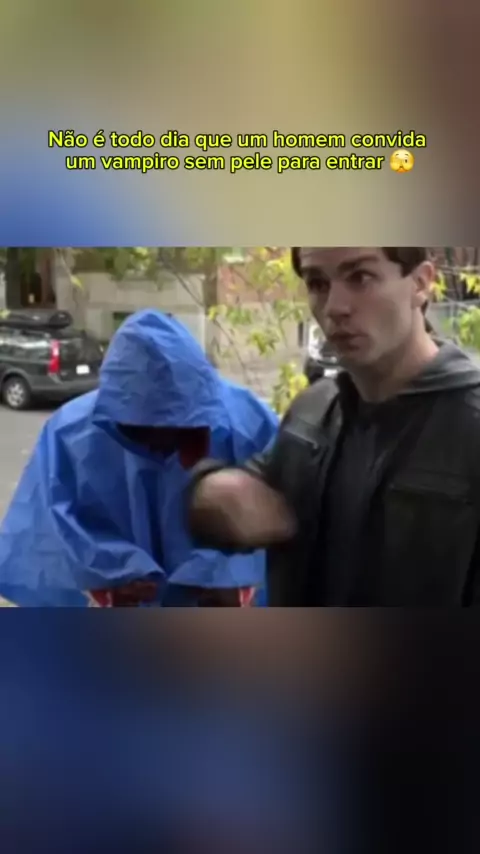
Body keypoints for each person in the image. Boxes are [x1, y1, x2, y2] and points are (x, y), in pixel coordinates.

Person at [188, 247, 480, 606]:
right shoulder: (311, 412)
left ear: (421, 283)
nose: (334, 308)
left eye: (360, 277)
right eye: (317, 283)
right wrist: (211, 493)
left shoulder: (469, 428)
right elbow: (247, 496)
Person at [0, 310, 278, 607]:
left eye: (172, 431)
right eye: (142, 433)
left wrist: (228, 575)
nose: (158, 448)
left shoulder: (248, 424)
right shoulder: (70, 435)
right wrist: (109, 570)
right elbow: (49, 530)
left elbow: (283, 517)